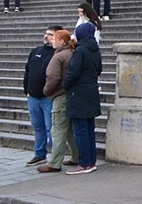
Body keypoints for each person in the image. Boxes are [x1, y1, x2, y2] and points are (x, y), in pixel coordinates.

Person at [63, 23, 102, 173]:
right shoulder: (95, 50)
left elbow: (73, 72)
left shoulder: (80, 51)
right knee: (89, 128)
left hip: (79, 92)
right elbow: (99, 69)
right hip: (91, 90)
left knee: (80, 130)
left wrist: (66, 85)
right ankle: (91, 161)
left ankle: (84, 163)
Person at [38, 28, 78, 173]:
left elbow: (53, 78)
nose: (51, 40)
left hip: (60, 96)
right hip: (70, 94)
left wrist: (47, 91)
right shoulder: (71, 53)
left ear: (61, 41)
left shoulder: (59, 56)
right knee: (68, 130)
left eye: (53, 38)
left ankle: (55, 162)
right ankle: (76, 156)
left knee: (58, 129)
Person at [23, 27, 57, 165]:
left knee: (51, 128)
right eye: (46, 34)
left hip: (48, 97)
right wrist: (26, 89)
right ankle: (39, 153)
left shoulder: (57, 53)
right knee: (38, 126)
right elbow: (27, 70)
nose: (46, 36)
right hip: (33, 96)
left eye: (50, 34)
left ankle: (55, 155)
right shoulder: (36, 51)